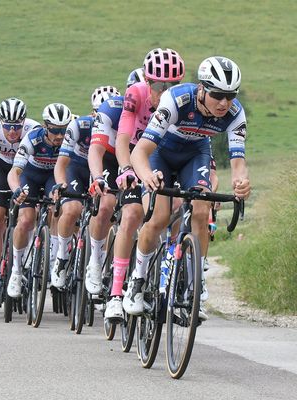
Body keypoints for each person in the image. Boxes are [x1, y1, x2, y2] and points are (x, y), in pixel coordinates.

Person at [128, 56, 250, 321]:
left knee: (200, 209)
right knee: (159, 217)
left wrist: (241, 183)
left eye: (230, 96)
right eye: (217, 95)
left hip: (196, 154)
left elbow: (238, 163)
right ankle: (137, 281)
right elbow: (140, 151)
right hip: (161, 151)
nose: (224, 103)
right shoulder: (176, 99)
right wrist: (147, 175)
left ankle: (196, 284)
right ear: (202, 89)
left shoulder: (234, 112)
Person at [94, 48, 187, 321]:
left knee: (178, 208)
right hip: (135, 153)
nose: (167, 91)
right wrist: (124, 169)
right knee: (133, 214)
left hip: (162, 155)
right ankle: (115, 294)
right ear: (148, 83)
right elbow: (123, 138)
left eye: (174, 85)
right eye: (160, 86)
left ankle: (169, 285)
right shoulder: (135, 94)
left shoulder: (181, 100)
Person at [53, 86, 120, 294]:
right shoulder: (79, 126)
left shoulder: (121, 126)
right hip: (77, 168)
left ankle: (98, 261)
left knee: (106, 211)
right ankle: (62, 257)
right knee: (72, 209)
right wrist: (62, 184)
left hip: (103, 166)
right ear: (93, 114)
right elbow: (61, 163)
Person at [0, 98, 40, 302]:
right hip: (1, 170)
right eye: (8, 127)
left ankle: (23, 260)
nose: (12, 132)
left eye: (16, 127)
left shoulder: (33, 128)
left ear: (23, 122)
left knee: (27, 217)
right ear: (1, 123)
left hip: (24, 170)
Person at [6, 103, 72, 297]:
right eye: (55, 130)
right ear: (46, 126)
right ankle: (16, 271)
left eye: (64, 130)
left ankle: (53, 261)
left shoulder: (68, 141)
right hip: (31, 176)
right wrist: (17, 190)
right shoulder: (33, 139)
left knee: (56, 208)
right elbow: (14, 172)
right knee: (26, 219)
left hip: (54, 176)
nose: (60, 136)